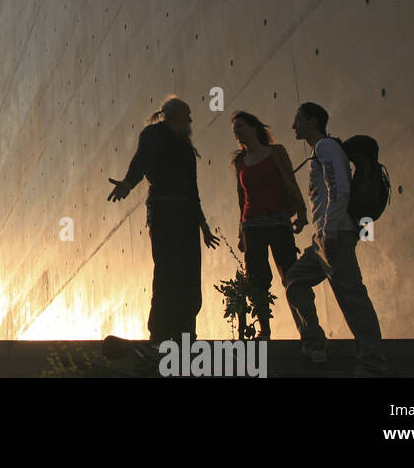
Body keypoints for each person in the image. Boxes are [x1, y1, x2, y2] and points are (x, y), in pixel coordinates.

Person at [107, 96, 220, 345]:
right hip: (165, 214)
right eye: (187, 113)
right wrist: (128, 182)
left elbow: (193, 189)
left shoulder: (184, 144)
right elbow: (142, 160)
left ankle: (185, 334)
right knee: (168, 273)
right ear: (174, 113)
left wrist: (202, 224)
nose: (191, 119)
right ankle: (160, 334)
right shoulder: (155, 134)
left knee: (189, 276)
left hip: (188, 216)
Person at [286, 102, 389, 374]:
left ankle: (372, 365)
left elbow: (340, 188)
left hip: (335, 235)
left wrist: (329, 230)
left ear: (312, 122)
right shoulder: (320, 152)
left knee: (352, 298)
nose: (293, 125)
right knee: (295, 281)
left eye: (298, 120)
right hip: (322, 238)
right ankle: (314, 342)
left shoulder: (326, 148)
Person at [230, 111, 308, 340]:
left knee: (291, 275)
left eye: (240, 126)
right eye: (234, 128)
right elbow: (241, 199)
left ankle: (307, 330)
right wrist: (240, 233)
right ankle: (265, 331)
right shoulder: (239, 161)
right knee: (257, 280)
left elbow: (290, 182)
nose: (236, 131)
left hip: (278, 221)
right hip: (252, 226)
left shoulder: (276, 152)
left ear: (254, 127)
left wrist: (301, 212)